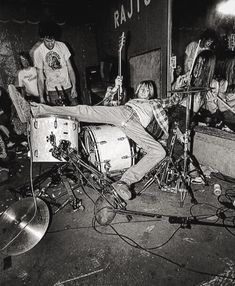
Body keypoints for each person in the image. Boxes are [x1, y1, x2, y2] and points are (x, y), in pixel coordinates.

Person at [30, 76, 186, 202]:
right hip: (123, 113)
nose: (145, 89)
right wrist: (116, 87)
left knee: (159, 151)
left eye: (148, 88)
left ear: (151, 93)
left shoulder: (155, 102)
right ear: (138, 90)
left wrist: (179, 84)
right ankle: (36, 109)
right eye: (142, 87)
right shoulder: (128, 101)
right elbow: (107, 104)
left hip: (134, 126)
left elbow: (174, 100)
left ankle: (124, 182)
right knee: (84, 110)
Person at [32, 21, 78, 106]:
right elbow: (40, 77)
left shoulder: (62, 46)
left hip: (68, 87)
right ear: (43, 38)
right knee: (60, 117)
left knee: (76, 113)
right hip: (53, 90)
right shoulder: (38, 52)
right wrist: (42, 97)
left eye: (52, 40)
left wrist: (74, 86)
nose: (50, 44)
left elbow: (70, 68)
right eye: (47, 41)